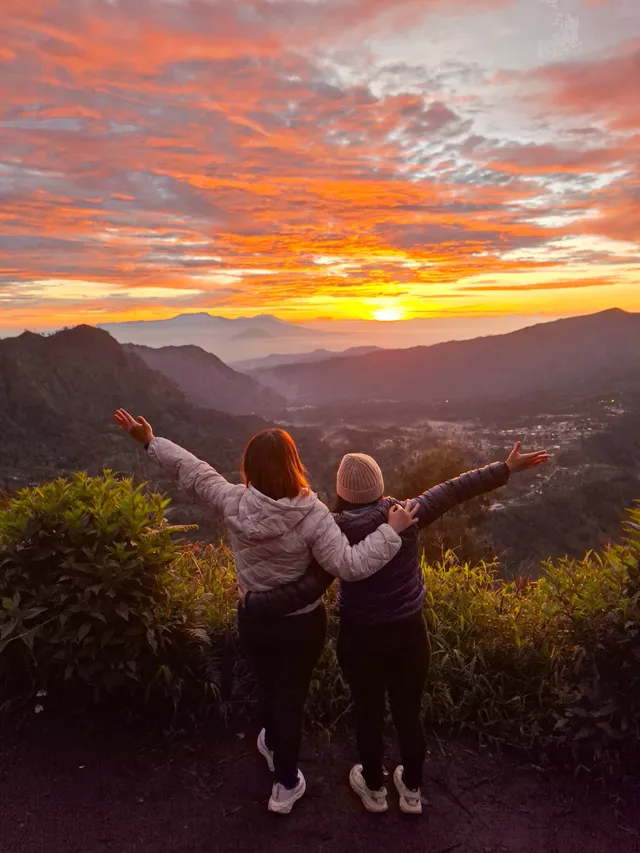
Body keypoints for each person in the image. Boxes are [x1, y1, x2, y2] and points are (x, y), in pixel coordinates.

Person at [113, 410, 418, 814]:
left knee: (269, 686)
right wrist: (390, 532)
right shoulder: (314, 516)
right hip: (303, 623)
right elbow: (351, 564)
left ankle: (273, 745)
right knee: (291, 698)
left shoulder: (234, 501)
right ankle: (286, 784)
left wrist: (151, 441)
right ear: (294, 465)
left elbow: (193, 471)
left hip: (254, 618)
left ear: (250, 469)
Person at [242, 442, 550, 815]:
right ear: (379, 484)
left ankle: (373, 789)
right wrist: (505, 467)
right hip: (409, 633)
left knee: (368, 714)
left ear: (341, 490)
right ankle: (412, 791)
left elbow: (307, 587)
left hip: (360, 639)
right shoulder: (405, 513)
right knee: (408, 713)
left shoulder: (333, 533)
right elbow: (454, 489)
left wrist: (255, 603)